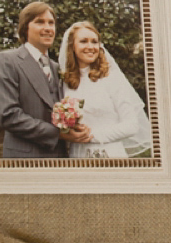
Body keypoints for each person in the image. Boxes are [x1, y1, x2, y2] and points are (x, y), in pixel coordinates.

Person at [0, 2, 91, 158]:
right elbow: (9, 115)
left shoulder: (57, 68)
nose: (48, 28)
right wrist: (58, 134)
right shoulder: (7, 61)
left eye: (51, 23)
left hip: (59, 158)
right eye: (39, 22)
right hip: (25, 159)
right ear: (25, 28)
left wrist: (75, 127)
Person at [57, 21, 153, 159]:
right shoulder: (66, 83)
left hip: (109, 154)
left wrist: (91, 136)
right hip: (76, 155)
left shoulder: (111, 79)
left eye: (94, 42)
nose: (90, 47)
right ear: (72, 46)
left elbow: (132, 125)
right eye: (83, 41)